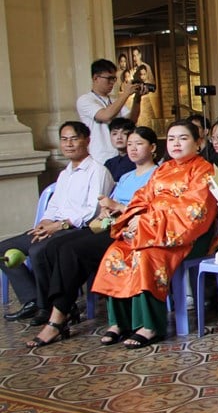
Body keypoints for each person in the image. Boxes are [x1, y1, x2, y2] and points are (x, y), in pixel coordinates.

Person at [26, 127, 159, 347]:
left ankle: (57, 319)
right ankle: (60, 308)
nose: (133, 149)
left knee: (72, 250)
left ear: (152, 147)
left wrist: (118, 207)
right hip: (107, 225)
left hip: (130, 230)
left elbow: (150, 211)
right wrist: (108, 210)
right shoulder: (125, 177)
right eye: (130, 144)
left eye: (139, 144)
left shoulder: (157, 175)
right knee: (54, 246)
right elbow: (109, 206)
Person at [90, 119, 218, 349]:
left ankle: (150, 326)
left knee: (145, 256)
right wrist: (132, 221)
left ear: (198, 143)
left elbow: (194, 212)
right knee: (116, 252)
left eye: (183, 138)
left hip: (186, 237)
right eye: (171, 139)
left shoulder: (203, 170)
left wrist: (146, 223)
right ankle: (120, 322)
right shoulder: (163, 169)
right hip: (151, 229)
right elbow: (141, 199)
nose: (176, 143)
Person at [1, 121, 115, 324]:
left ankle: (50, 307)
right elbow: (53, 205)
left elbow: (93, 211)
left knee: (38, 251)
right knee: (4, 248)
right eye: (64, 139)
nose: (68, 144)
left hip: (76, 229)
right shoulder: (65, 173)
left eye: (74, 139)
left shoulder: (97, 171)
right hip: (54, 226)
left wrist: (59, 225)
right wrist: (45, 222)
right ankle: (32, 300)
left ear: (87, 140)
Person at [76, 58, 144, 164]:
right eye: (109, 78)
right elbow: (105, 115)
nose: (112, 83)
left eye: (114, 79)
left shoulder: (114, 100)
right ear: (95, 78)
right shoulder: (85, 100)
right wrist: (126, 93)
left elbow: (131, 120)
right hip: (100, 158)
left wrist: (137, 97)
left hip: (120, 156)